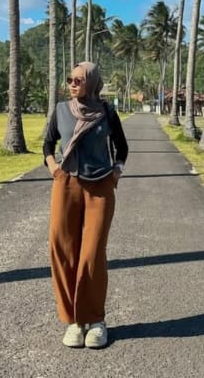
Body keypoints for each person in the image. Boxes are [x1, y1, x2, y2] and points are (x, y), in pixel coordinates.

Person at [42, 61, 129, 349]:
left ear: (92, 82)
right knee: (62, 248)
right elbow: (48, 143)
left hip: (101, 186)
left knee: (92, 253)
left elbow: (122, 146)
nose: (72, 83)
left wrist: (116, 171)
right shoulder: (61, 110)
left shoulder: (106, 111)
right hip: (66, 184)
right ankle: (74, 321)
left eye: (78, 80)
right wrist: (54, 166)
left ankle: (96, 320)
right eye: (70, 79)